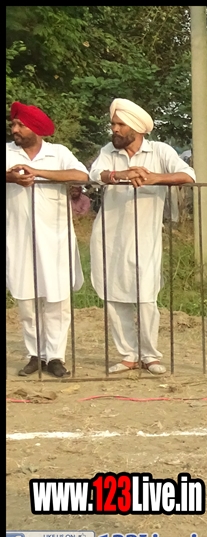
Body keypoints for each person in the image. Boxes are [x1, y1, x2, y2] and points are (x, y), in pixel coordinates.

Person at [89, 98, 196, 374]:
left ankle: (150, 355)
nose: (114, 129)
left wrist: (154, 178)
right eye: (113, 124)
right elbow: (94, 174)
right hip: (110, 235)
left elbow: (188, 176)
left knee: (146, 296)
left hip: (145, 237)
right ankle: (128, 355)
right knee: (114, 294)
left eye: (120, 125)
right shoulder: (108, 151)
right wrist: (120, 174)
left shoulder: (159, 151)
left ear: (136, 129)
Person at [6, 101, 89, 378]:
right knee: (26, 301)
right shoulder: (7, 152)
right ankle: (35, 355)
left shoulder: (58, 153)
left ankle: (55, 356)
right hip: (18, 238)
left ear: (36, 128)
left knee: (57, 300)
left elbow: (81, 175)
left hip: (55, 239)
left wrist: (39, 173)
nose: (14, 129)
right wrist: (10, 177)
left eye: (20, 125)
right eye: (13, 124)